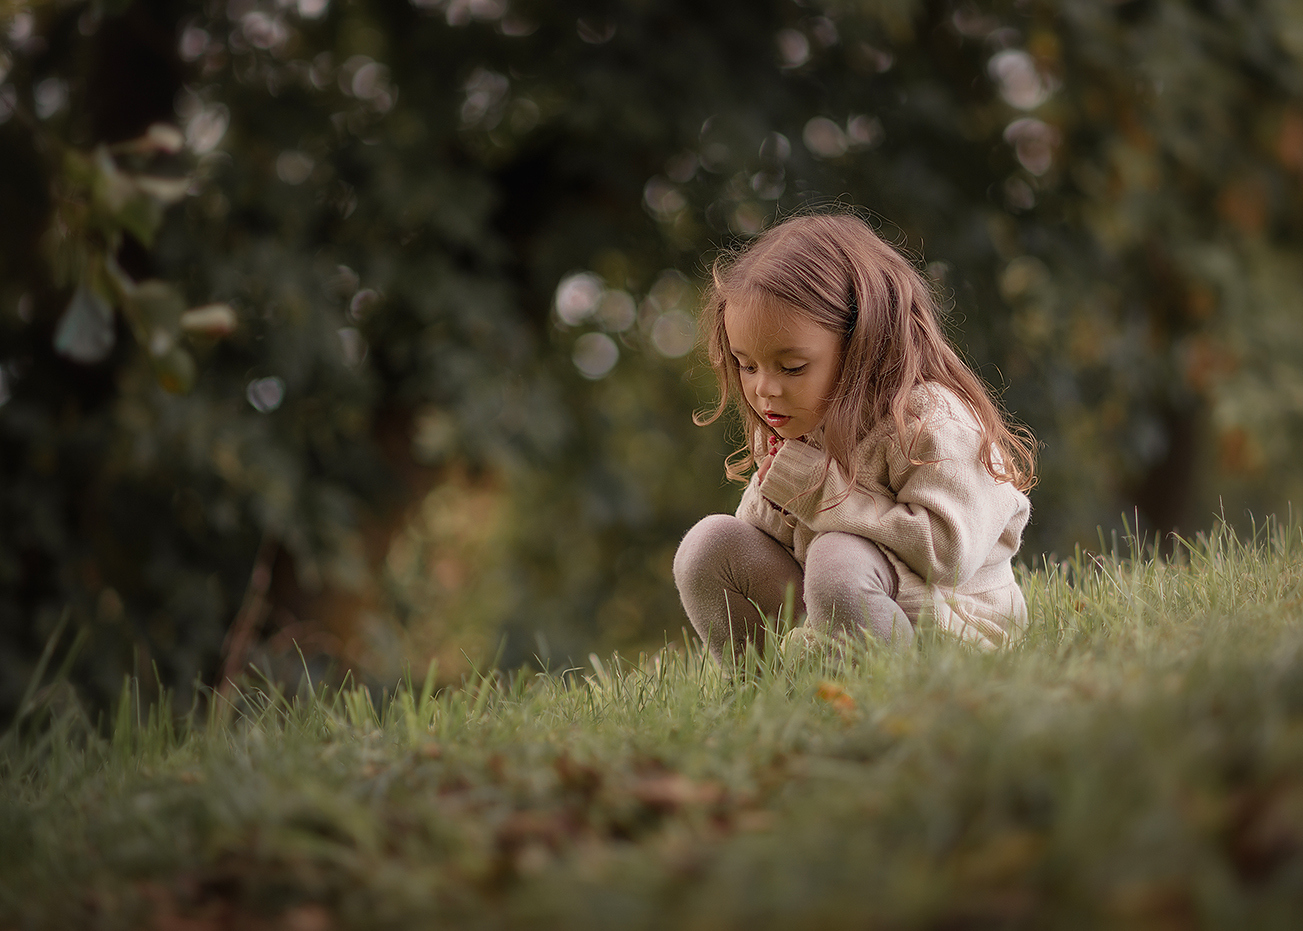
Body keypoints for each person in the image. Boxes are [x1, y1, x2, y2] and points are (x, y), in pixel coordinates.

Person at [673, 212, 1036, 662]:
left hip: (955, 626)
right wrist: (779, 492)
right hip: (845, 612)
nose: (764, 388)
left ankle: (885, 694)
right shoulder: (803, 419)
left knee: (836, 558)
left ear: (864, 341)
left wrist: (818, 490)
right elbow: (774, 541)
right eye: (747, 365)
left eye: (791, 367)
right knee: (710, 545)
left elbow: (948, 555)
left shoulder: (932, 420)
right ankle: (759, 694)